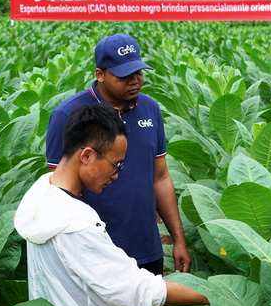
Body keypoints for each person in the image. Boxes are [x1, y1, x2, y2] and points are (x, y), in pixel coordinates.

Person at [15, 103, 208, 306]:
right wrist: (215, 294)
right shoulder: (76, 226)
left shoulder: (40, 196)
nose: (116, 175)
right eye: (115, 164)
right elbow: (136, 289)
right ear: (87, 156)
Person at [46, 33, 190, 275]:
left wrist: (178, 240)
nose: (134, 81)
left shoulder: (150, 108)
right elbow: (58, 188)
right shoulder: (68, 115)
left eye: (138, 73)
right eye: (124, 76)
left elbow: (161, 178)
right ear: (99, 74)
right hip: (93, 248)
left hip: (145, 244)